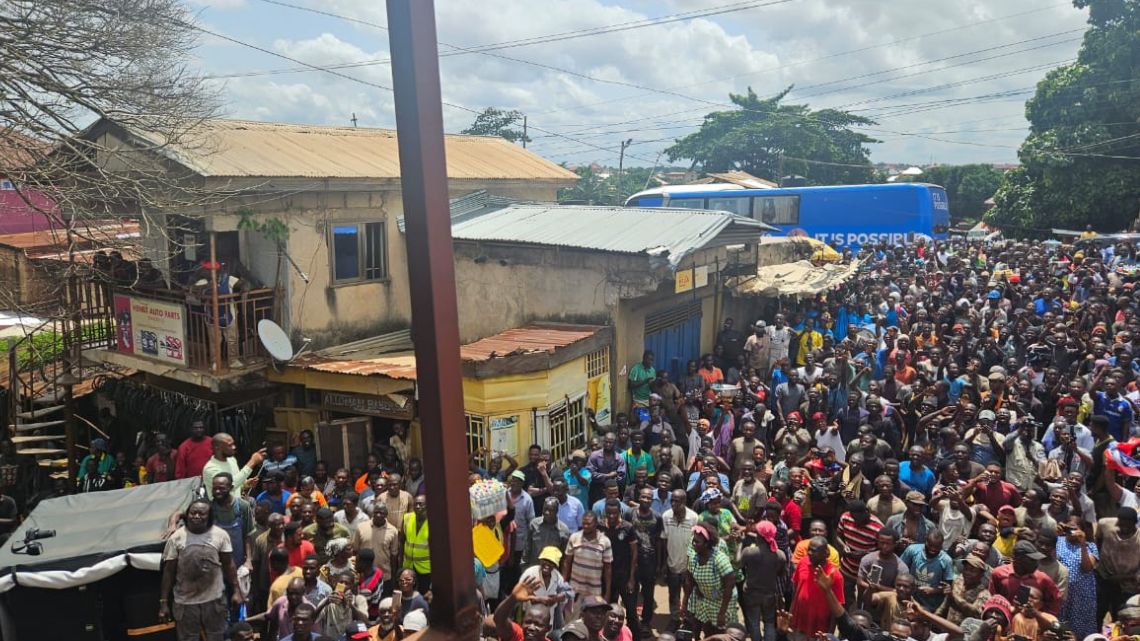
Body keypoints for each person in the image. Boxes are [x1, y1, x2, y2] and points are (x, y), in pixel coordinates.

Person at [159, 497, 242, 641]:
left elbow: (229, 565)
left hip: (214, 600)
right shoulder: (176, 538)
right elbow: (169, 572)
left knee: (217, 637)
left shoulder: (220, 535)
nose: (196, 516)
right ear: (188, 514)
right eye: (193, 513)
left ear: (209, 516)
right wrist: (163, 603)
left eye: (201, 513)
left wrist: (236, 591)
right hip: (185, 603)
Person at [683, 523, 738, 635]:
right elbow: (689, 581)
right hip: (707, 598)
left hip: (723, 601)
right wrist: (685, 602)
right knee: (708, 630)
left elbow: (729, 586)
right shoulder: (694, 559)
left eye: (697, 542)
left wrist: (722, 613)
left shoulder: (719, 559)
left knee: (722, 633)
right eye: (693, 541)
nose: (693, 544)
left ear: (707, 544)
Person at [739, 520, 786, 641]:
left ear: (759, 536)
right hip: (769, 594)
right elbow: (781, 573)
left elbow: (738, 563)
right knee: (769, 622)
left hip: (751, 593)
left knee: (754, 623)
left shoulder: (749, 552)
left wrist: (741, 543)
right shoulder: (780, 555)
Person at [988, 540, 1062, 616]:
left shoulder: (1042, 578)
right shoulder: (998, 573)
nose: (1036, 564)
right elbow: (992, 598)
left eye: (1036, 560)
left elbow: (1056, 598)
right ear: (1018, 559)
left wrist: (1043, 616)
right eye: (1032, 560)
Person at [790, 536, 844, 638]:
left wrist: (829, 634)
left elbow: (837, 608)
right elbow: (796, 591)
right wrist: (791, 615)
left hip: (820, 629)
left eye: (813, 551)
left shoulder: (835, 575)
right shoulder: (802, 563)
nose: (809, 553)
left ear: (825, 553)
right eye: (808, 549)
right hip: (800, 624)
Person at [1055, 515, 1099, 639]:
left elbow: (1087, 567)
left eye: (1075, 529)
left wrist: (1083, 544)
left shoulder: (1090, 546)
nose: (1071, 532)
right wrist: (1055, 534)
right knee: (1059, 625)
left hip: (1081, 595)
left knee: (1080, 626)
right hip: (1061, 592)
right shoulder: (1057, 541)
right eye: (1069, 528)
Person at [1094, 506, 1139, 626]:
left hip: (1129, 584)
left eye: (1127, 525)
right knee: (1098, 613)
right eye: (1120, 524)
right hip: (1105, 578)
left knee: (1122, 617)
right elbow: (1099, 544)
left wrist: (1126, 577)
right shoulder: (1107, 529)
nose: (1122, 528)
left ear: (1134, 524)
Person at [202, 432, 265, 500]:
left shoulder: (231, 460)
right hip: (220, 509)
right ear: (217, 448)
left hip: (235, 506)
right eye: (230, 445)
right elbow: (229, 486)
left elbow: (236, 485)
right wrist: (252, 462)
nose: (234, 447)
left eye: (233, 444)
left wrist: (245, 484)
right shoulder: (210, 468)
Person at [400, 495, 431, 594]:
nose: (417, 507)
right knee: (408, 594)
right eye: (416, 504)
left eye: (421, 504)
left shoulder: (433, 521)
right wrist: (401, 563)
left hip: (425, 569)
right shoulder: (407, 518)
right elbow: (402, 541)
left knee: (423, 595)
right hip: (408, 566)